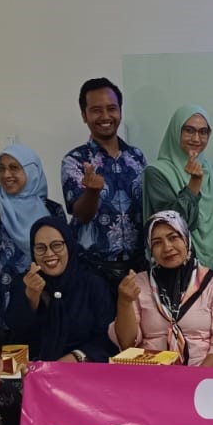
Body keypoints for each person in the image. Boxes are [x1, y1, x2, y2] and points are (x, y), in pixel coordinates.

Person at [111, 211, 213, 367]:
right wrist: (125, 302)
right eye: (157, 242)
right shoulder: (138, 284)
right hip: (150, 372)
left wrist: (195, 377)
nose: (167, 247)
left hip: (202, 372)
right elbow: (127, 343)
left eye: (173, 237)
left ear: (186, 239)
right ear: (150, 249)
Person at [143, 105, 213, 298]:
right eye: (189, 130)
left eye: (203, 132)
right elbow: (172, 226)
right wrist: (194, 185)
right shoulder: (156, 173)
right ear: (175, 132)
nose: (196, 139)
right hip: (177, 277)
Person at [60, 77, 147, 291]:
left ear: (120, 112)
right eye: (96, 110)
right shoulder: (75, 161)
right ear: (84, 115)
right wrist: (92, 192)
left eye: (112, 109)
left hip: (137, 269)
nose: (106, 116)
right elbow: (82, 214)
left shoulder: (137, 157)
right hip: (92, 272)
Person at [2, 216, 117, 363]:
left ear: (69, 245)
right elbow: (17, 335)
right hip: (34, 369)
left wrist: (76, 357)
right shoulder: (24, 283)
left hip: (82, 368)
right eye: (40, 248)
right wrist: (31, 297)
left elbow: (107, 339)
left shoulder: (92, 284)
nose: (49, 254)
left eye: (56, 245)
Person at [0, 144, 62, 318]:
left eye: (14, 168)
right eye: (1, 168)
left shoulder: (52, 210)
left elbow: (61, 254)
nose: (6, 175)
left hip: (39, 293)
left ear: (31, 170)